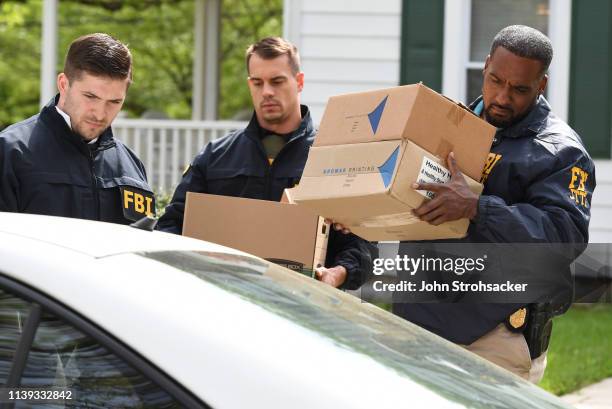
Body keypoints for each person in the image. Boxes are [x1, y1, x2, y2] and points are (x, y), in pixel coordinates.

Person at [158, 37, 372, 288]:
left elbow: (362, 245)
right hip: (222, 301)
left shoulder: (335, 159)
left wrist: (338, 273)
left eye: (277, 81)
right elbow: (170, 227)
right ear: (249, 84)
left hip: (305, 304)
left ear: (299, 82)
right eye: (257, 82)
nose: (267, 92)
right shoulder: (215, 156)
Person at [0, 33, 154, 224]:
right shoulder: (9, 151)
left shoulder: (132, 167)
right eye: (90, 96)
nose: (100, 114)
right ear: (64, 84)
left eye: (114, 102)